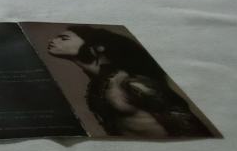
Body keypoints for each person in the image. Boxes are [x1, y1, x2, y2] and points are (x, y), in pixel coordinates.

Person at [46, 25, 211, 138]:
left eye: (64, 38)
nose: (52, 41)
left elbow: (191, 129)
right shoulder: (96, 87)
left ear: (97, 47)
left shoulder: (131, 83)